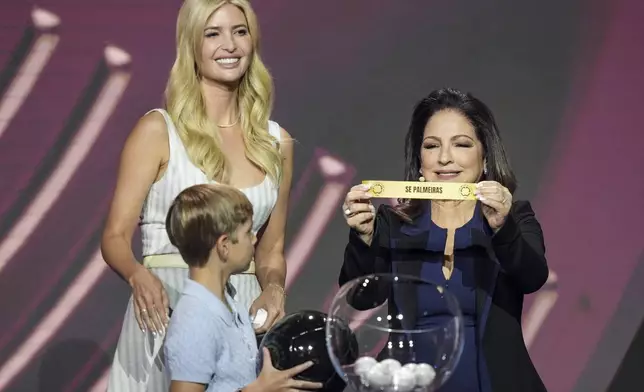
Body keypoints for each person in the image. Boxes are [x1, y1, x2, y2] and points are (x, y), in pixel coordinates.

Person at [101, 0, 292, 390]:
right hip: (164, 306)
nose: (230, 44)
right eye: (213, 33)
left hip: (240, 314)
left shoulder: (276, 143)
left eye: (240, 32)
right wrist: (138, 276)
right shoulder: (158, 131)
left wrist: (273, 288)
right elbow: (114, 237)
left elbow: (271, 252)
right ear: (191, 44)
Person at [339, 87, 549, 392]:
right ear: (420, 160)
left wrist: (502, 228)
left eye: (461, 144)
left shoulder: (515, 218)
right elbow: (360, 298)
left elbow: (533, 277)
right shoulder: (392, 223)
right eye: (432, 146)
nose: (445, 158)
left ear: (485, 157)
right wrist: (363, 239)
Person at [163, 184, 321, 392]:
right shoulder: (195, 319)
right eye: (248, 232)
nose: (255, 239)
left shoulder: (232, 305)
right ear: (224, 245)